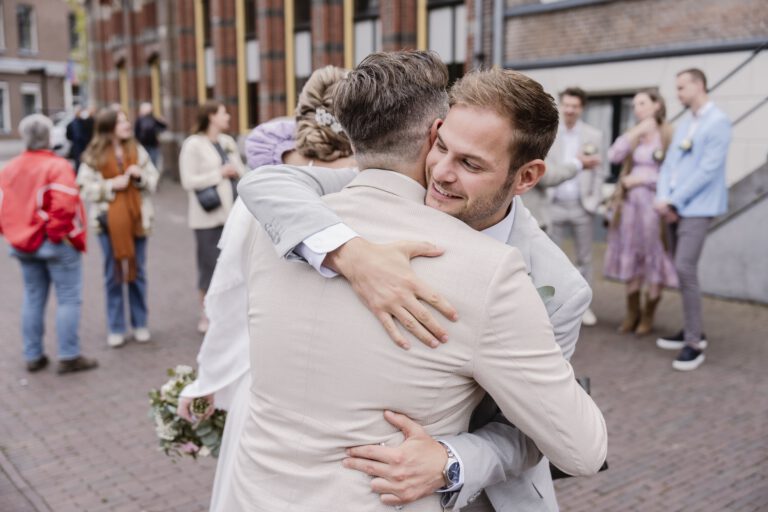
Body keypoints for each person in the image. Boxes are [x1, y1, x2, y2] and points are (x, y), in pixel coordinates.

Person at [220, 51, 606, 512]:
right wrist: (350, 252)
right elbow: (269, 183)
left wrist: (452, 458)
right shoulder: (387, 191)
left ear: (526, 177)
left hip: (481, 495)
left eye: (471, 164)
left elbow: (534, 429)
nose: (441, 172)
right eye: (441, 147)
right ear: (431, 133)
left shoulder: (554, 287)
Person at [177, 65, 354, 512]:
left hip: (272, 382)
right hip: (351, 390)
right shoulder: (375, 186)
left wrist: (208, 378)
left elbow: (233, 303)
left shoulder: (262, 193)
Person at [0, 114, 97, 374]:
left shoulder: (9, 168)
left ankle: (33, 355)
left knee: (32, 297)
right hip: (54, 243)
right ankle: (68, 355)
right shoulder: (57, 166)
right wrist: (54, 234)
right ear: (49, 137)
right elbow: (65, 204)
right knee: (68, 298)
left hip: (23, 244)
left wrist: (13, 232)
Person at [654, 68, 731, 371]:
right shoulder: (686, 123)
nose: (678, 93)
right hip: (673, 207)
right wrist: (663, 198)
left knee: (685, 268)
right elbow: (669, 163)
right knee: (680, 269)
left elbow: (708, 171)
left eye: (682, 87)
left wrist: (674, 199)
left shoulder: (719, 123)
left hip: (697, 208)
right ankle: (691, 328)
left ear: (699, 86)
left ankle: (694, 343)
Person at [77, 108, 159, 347]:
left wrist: (140, 176)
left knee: (138, 272)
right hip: (107, 223)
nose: (127, 124)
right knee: (113, 275)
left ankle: (140, 323)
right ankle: (116, 327)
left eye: (126, 119)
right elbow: (83, 187)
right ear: (108, 126)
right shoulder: (94, 154)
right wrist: (111, 185)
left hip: (137, 220)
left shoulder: (137, 149)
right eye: (121, 121)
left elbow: (153, 180)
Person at [604, 89, 678, 335]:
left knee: (654, 254)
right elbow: (613, 156)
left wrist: (642, 178)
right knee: (632, 254)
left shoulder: (669, 133)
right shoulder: (634, 135)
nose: (637, 108)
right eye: (634, 104)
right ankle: (632, 313)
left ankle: (648, 314)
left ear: (657, 105)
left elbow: (676, 171)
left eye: (643, 103)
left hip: (654, 208)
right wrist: (635, 131)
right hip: (630, 208)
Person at [178, 101, 247, 333]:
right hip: (208, 218)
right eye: (223, 112)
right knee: (209, 266)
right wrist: (219, 173)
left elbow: (242, 171)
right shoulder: (193, 144)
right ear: (210, 116)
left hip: (232, 215)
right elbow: (188, 180)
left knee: (235, 265)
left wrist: (237, 171)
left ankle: (230, 312)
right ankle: (206, 314)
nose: (228, 115)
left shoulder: (227, 142)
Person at [543, 87, 607, 327]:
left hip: (582, 206)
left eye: (575, 106)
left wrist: (594, 200)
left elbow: (600, 172)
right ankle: (558, 305)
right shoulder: (550, 132)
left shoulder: (594, 135)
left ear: (582, 108)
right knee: (553, 258)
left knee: (585, 258)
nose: (570, 110)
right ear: (561, 105)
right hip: (554, 204)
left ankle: (584, 306)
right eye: (566, 105)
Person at [134, 102, 167, 168]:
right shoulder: (139, 120)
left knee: (153, 164)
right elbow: (136, 132)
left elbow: (163, 127)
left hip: (153, 146)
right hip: (143, 145)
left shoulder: (153, 119)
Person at [66, 104, 95, 172]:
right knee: (78, 163)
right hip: (77, 147)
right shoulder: (71, 124)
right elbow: (68, 135)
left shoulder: (84, 122)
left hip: (84, 146)